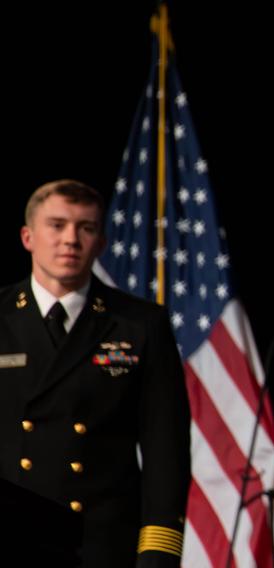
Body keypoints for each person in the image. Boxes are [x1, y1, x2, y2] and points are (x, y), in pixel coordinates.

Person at [0, 179, 190, 566]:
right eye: (56, 225)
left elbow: (164, 452)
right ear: (27, 236)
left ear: (101, 243)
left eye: (85, 228)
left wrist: (158, 552)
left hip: (100, 547)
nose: (70, 239)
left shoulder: (140, 324)